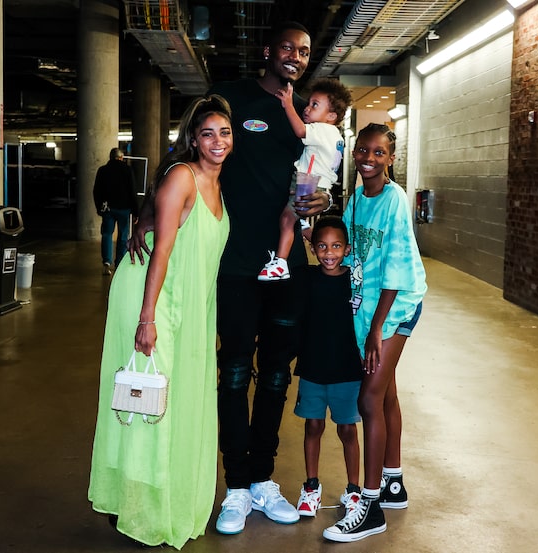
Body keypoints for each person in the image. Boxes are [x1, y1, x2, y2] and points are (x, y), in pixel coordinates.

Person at [129, 21, 332, 536]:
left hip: (287, 267)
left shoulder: (308, 114)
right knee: (236, 373)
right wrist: (152, 208)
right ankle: (237, 486)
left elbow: (319, 176)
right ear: (268, 52)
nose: (295, 57)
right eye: (287, 48)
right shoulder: (230, 99)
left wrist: (325, 201)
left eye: (304, 52)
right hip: (235, 265)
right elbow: (186, 152)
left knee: (278, 376)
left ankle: (264, 478)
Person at [88, 95, 233, 549]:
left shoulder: (218, 182)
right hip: (154, 298)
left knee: (174, 400)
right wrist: (146, 318)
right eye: (207, 133)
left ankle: (162, 498)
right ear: (192, 138)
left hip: (189, 303)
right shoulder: (182, 177)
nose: (217, 141)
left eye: (225, 132)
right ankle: (138, 506)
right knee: (150, 404)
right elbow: (164, 250)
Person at [322, 123, 427, 542]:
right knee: (386, 394)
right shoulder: (354, 201)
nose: (368, 158)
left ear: (390, 158)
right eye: (362, 151)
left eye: (378, 153)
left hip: (396, 305)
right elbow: (352, 256)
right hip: (367, 308)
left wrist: (376, 330)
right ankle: (393, 481)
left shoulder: (395, 201)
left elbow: (397, 273)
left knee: (368, 399)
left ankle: (371, 506)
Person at [292, 216, 362, 518]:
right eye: (322, 246)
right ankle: (311, 487)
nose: (329, 253)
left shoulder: (356, 281)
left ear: (347, 249)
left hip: (347, 370)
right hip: (313, 368)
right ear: (313, 248)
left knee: (347, 429)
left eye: (336, 246)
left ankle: (354, 490)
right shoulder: (306, 278)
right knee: (314, 426)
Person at [257, 78, 353, 281]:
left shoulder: (323, 129)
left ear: (331, 116)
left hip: (308, 182)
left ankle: (280, 264)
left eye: (315, 105)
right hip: (317, 183)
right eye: (309, 103)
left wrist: (288, 104)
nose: (307, 109)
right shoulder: (335, 135)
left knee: (286, 219)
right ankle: (329, 250)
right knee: (299, 223)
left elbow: (300, 130)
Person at [93, 147, 138, 275]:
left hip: (108, 208)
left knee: (107, 234)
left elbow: (96, 191)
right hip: (124, 208)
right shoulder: (127, 170)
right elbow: (132, 191)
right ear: (121, 157)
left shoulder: (103, 170)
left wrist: (99, 207)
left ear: (110, 157)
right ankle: (119, 264)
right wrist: (136, 212)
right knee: (123, 236)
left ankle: (106, 262)